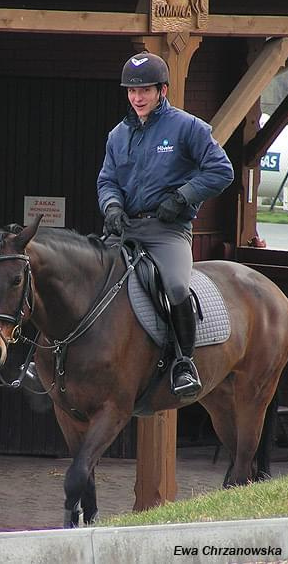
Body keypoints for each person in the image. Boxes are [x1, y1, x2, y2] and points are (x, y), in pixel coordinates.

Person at [97, 51, 234, 397]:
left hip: (167, 231)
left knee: (175, 287)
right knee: (85, 277)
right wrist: (111, 206)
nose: (137, 98)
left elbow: (221, 170)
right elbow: (107, 181)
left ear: (162, 90)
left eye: (144, 90)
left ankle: (184, 362)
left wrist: (183, 196)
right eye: (131, 91)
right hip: (126, 228)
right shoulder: (117, 136)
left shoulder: (188, 127)